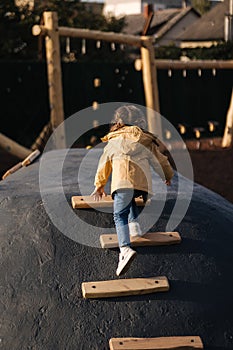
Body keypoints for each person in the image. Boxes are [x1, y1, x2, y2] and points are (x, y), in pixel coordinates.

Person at [91, 105, 174, 276]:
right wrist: (167, 175)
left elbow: (103, 165)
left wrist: (99, 185)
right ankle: (134, 224)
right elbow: (161, 160)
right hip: (141, 185)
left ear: (117, 123)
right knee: (130, 199)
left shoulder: (113, 142)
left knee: (118, 215)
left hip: (122, 184)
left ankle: (125, 249)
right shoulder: (146, 140)